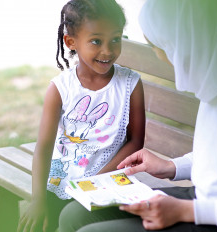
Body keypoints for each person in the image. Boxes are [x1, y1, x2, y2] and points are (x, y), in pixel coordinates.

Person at [58, 0, 217, 231]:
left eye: (160, 46)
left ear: (188, 41)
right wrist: (171, 166)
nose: (161, 55)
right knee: (75, 213)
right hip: (205, 200)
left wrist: (186, 211)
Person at [17, 0, 146, 231]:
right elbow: (44, 147)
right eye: (96, 41)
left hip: (108, 181)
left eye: (115, 39)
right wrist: (37, 200)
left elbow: (136, 141)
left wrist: (95, 181)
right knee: (44, 222)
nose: (108, 50)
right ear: (71, 42)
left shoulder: (130, 84)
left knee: (77, 220)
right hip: (62, 182)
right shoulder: (60, 88)